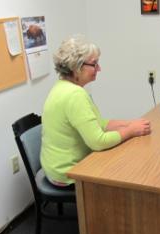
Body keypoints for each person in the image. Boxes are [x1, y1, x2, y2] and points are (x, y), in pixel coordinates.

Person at [40, 35, 151, 187]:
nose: (99, 68)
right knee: (129, 171)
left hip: (54, 167)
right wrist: (131, 131)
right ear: (76, 67)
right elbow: (98, 142)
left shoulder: (62, 86)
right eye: (94, 64)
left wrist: (129, 124)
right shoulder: (75, 95)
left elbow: (99, 123)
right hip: (67, 173)